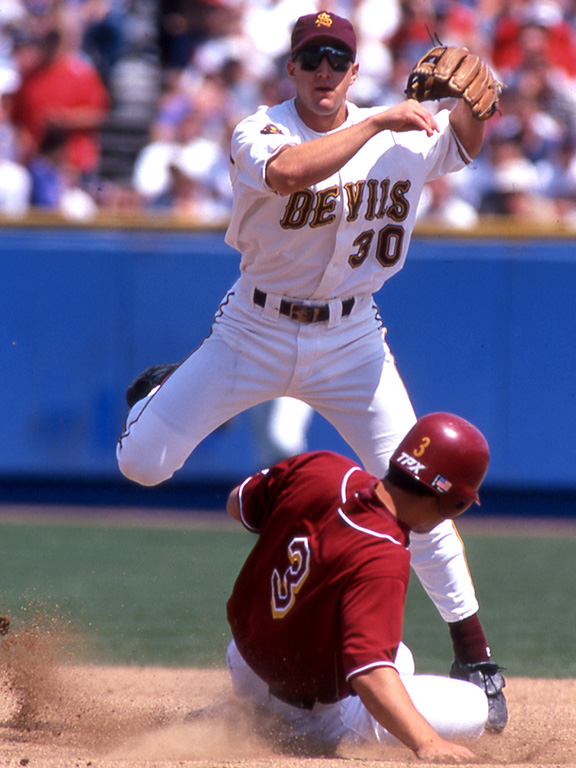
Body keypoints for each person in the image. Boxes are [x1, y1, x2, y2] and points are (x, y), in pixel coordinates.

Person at [117, 10, 507, 730]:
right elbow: (291, 174)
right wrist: (383, 121)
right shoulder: (258, 130)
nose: (324, 69)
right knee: (142, 462)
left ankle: (475, 653)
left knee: (418, 485)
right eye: (312, 57)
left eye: (337, 57)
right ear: (291, 69)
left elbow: (463, 144)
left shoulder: (404, 129)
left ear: (354, 70)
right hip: (255, 327)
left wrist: (478, 106)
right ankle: (158, 392)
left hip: (353, 337)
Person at [226, 412, 491, 760]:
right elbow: (369, 674)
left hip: (245, 659)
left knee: (401, 657)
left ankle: (250, 710)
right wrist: (428, 742)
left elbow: (237, 503)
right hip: (308, 711)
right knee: (473, 706)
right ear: (453, 501)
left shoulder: (323, 468)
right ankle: (287, 729)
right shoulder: (384, 556)